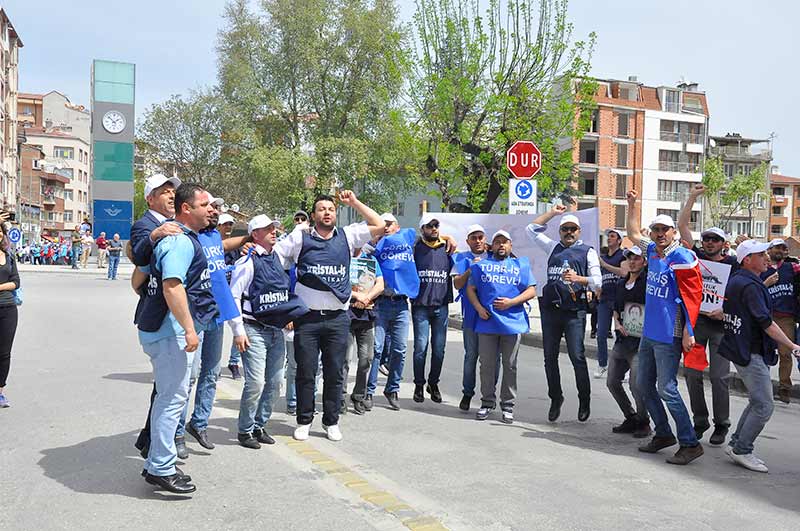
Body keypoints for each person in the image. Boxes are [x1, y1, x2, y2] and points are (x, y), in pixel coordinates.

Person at [273, 191, 384, 442]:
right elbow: (274, 260)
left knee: (335, 373)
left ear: (336, 214)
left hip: (337, 318)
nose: (327, 212)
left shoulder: (348, 235)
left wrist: (354, 202)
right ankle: (304, 420)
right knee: (306, 372)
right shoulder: (299, 237)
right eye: (321, 209)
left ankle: (331, 421)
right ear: (313, 215)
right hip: (308, 318)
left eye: (331, 209)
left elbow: (379, 225)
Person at [136, 183, 218, 494]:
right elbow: (172, 286)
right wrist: (189, 328)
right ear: (187, 209)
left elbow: (142, 274)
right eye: (205, 204)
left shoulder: (181, 239)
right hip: (171, 333)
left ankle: (157, 459)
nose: (211, 209)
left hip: (166, 330)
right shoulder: (180, 242)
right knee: (172, 400)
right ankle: (161, 467)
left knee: (168, 398)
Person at [625, 189, 705, 465]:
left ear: (674, 233)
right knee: (642, 385)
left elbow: (692, 297)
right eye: (656, 229)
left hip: (670, 333)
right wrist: (632, 204)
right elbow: (633, 232)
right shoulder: (652, 251)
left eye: (665, 230)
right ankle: (663, 434)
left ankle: (690, 442)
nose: (659, 234)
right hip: (650, 331)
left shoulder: (682, 257)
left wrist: (688, 330)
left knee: (666, 388)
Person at [718, 239, 800, 472]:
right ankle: (742, 449)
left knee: (757, 401)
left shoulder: (740, 281)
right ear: (747, 260)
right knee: (764, 405)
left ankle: (736, 444)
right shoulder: (750, 285)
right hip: (750, 352)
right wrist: (792, 345)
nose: (766, 258)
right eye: (760, 254)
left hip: (741, 349)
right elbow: (766, 323)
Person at [228, 215, 308, 448]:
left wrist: (287, 316)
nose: (273, 231)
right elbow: (234, 295)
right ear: (255, 234)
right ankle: (245, 430)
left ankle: (259, 425)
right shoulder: (247, 263)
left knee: (274, 383)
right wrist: (238, 330)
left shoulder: (278, 257)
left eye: (274, 228)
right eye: (267, 229)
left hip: (275, 329)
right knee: (255, 383)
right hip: (253, 329)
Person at [181, 196, 247, 451]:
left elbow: (223, 247)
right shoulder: (188, 237)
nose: (215, 212)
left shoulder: (215, 239)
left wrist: (248, 239)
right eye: (211, 208)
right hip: (195, 315)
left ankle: (199, 423)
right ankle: (176, 431)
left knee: (210, 373)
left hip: (217, 315)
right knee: (189, 375)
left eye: (217, 209)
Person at [527, 206, 601, 422]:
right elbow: (530, 230)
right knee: (549, 357)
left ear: (579, 231)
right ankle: (555, 398)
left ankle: (584, 400)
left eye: (573, 229)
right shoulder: (553, 247)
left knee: (577, 357)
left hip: (574, 312)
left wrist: (579, 279)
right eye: (565, 229)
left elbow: (598, 280)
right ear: (559, 232)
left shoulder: (587, 251)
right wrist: (552, 213)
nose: (569, 232)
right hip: (551, 310)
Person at [677, 184, 737, 445]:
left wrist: (725, 311)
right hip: (697, 323)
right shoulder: (696, 256)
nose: (710, 242)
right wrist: (691, 198)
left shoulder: (734, 265)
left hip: (721, 325)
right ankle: (699, 419)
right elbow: (681, 227)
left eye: (715, 239)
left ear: (724, 244)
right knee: (692, 372)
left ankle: (721, 424)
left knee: (719, 377)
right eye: (707, 239)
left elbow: (739, 295)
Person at [131, 174, 184, 459]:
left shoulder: (173, 224)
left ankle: (150, 438)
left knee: (164, 388)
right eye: (164, 192)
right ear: (150, 197)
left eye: (173, 192)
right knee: (168, 390)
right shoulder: (145, 225)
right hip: (160, 316)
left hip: (170, 314)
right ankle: (155, 446)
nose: (171, 196)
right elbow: (138, 257)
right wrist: (155, 235)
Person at [466, 230, 537, 423]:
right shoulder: (482, 266)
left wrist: (512, 302)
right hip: (487, 323)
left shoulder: (519, 265)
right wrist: (479, 308)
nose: (501, 245)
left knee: (510, 365)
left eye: (505, 242)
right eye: (497, 242)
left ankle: (508, 405)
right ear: (492, 246)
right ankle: (487, 402)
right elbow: (470, 289)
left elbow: (531, 290)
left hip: (512, 323)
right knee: (487, 366)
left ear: (510, 245)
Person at [606, 246, 651, 438]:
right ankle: (630, 416)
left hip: (640, 344)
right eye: (630, 258)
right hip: (622, 341)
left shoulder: (648, 283)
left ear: (644, 262)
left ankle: (644, 421)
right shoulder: (621, 283)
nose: (632, 261)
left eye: (637, 258)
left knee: (636, 385)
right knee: (612, 382)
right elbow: (615, 309)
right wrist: (616, 322)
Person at [411, 214, 454, 404]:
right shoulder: (415, 249)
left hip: (441, 305)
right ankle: (419, 385)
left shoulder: (447, 248)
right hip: (420, 305)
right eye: (429, 226)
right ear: (423, 230)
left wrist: (448, 239)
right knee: (420, 347)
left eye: (436, 226)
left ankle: (433, 383)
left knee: (439, 349)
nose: (434, 229)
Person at [451, 224, 490, 411]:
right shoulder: (461, 258)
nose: (478, 241)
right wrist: (471, 269)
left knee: (490, 359)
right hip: (471, 315)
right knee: (471, 356)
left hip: (492, 316)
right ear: (468, 241)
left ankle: (488, 395)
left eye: (480, 237)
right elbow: (457, 284)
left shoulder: (494, 256)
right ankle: (467, 393)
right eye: (473, 238)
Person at [760, 238, 800, 404]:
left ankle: (784, 388)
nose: (780, 251)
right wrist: (766, 284)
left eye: (783, 248)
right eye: (777, 247)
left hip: (786, 316)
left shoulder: (792, 268)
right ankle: (762, 386)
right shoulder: (762, 269)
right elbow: (754, 289)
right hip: (766, 315)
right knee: (763, 352)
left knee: (785, 353)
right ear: (769, 250)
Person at [345, 249, 384, 414]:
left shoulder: (371, 260)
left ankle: (359, 395)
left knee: (366, 358)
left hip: (367, 316)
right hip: (345, 316)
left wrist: (367, 298)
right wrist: (356, 296)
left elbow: (380, 285)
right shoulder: (342, 256)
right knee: (344, 360)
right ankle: (339, 396)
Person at [596, 229, 626, 378]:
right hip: (604, 299)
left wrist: (605, 265)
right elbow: (599, 276)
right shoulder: (602, 257)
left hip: (618, 299)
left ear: (619, 240)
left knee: (620, 333)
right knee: (601, 333)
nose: (609, 238)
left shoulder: (623, 255)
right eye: (608, 236)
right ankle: (602, 364)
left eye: (613, 236)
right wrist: (596, 288)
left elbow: (624, 272)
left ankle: (622, 367)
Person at [0, 219, 20, 408]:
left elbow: (16, 282)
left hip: (7, 308)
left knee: (4, 353)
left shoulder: (8, 256)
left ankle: (0, 391)